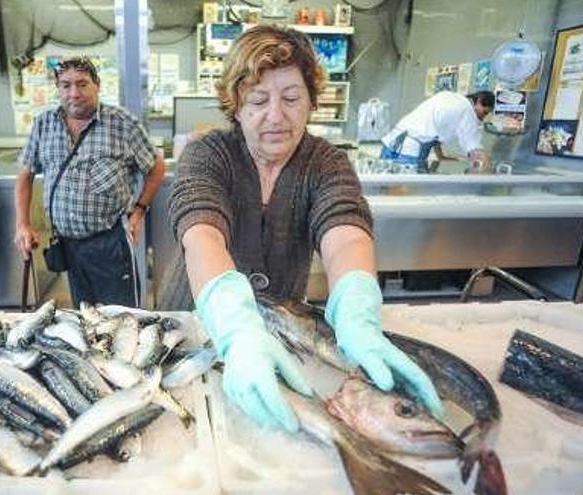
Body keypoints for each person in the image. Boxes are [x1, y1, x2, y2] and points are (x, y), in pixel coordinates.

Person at [167, 25, 443, 432]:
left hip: (285, 332)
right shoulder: (208, 154)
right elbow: (201, 230)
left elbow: (345, 229)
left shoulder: (326, 162)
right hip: (197, 324)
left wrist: (355, 309)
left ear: (312, 101)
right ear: (235, 106)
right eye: (258, 100)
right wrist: (234, 325)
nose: (276, 116)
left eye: (292, 98)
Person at [14, 56, 165, 308]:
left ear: (97, 85)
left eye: (82, 84)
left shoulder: (122, 124)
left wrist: (139, 210)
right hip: (67, 244)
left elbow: (156, 167)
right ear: (58, 88)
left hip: (111, 242)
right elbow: (25, 174)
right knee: (84, 316)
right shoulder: (44, 124)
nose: (74, 93)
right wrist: (22, 224)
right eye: (66, 85)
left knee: (122, 317)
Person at [380, 90, 494, 173]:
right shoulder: (467, 111)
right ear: (478, 101)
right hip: (409, 151)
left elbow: (435, 129)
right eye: (484, 112)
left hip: (391, 142)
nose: (482, 118)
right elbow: (474, 148)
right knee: (404, 194)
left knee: (383, 187)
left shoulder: (449, 96)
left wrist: (440, 156)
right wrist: (487, 168)